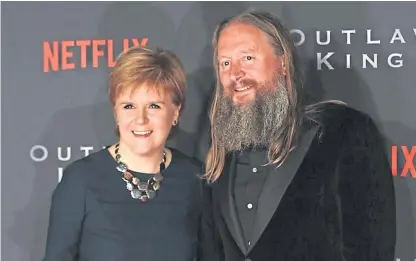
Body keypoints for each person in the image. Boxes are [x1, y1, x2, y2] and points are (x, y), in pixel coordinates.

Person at [201, 9, 396, 261]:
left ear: (282, 62)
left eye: (247, 58)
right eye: (225, 63)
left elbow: (372, 248)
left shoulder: (342, 131)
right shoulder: (219, 160)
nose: (235, 74)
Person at [42, 46, 215, 261]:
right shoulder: (80, 180)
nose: (140, 119)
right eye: (129, 106)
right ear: (116, 112)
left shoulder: (194, 178)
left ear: (175, 112)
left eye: (154, 106)